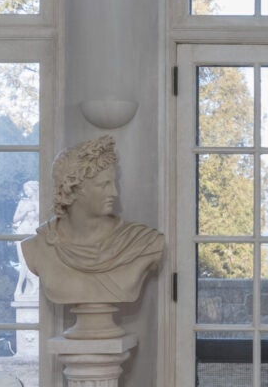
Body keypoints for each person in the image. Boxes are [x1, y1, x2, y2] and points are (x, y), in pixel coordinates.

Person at [18, 135, 166, 321]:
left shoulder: (143, 242)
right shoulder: (38, 247)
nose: (114, 192)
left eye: (114, 183)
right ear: (73, 189)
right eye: (104, 184)